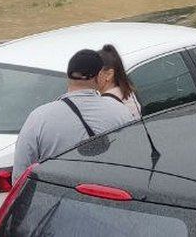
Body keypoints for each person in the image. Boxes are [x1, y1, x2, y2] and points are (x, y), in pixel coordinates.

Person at [13, 49, 134, 182]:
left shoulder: (38, 118)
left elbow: (20, 176)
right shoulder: (121, 112)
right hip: (108, 197)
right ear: (99, 76)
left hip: (57, 199)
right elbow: (133, 158)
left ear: (68, 76)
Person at [97, 44, 142, 119]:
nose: (87, 76)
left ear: (109, 74)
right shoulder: (126, 92)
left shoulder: (107, 102)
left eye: (93, 72)